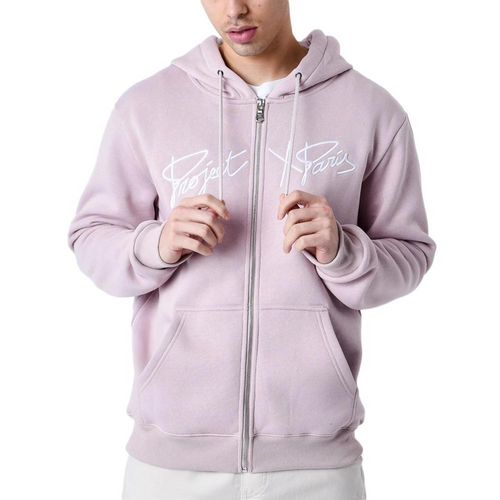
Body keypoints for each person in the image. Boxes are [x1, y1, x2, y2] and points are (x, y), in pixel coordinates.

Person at [67, 1, 437, 498]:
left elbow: (410, 252)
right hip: (171, 465)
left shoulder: (372, 110)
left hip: (316, 467)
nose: (234, 10)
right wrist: (157, 244)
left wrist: (343, 251)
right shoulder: (146, 107)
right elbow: (91, 236)